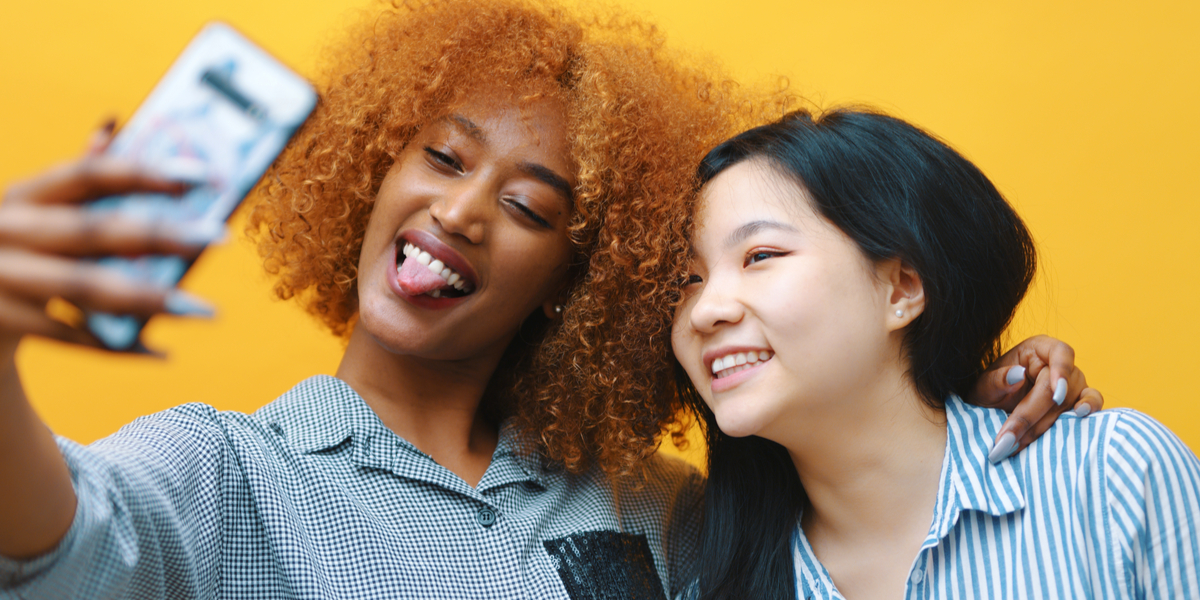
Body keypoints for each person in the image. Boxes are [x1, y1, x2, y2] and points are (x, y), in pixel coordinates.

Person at [0, 1, 1096, 598]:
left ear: (585, 280)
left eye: (531, 208)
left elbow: (889, 522)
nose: (463, 211)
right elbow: (58, 546)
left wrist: (960, 383)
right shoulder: (223, 473)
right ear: (372, 171)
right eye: (439, 155)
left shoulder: (672, 513)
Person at [672, 108, 1199, 599]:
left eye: (760, 255)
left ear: (901, 288)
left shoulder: (1113, 478)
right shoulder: (708, 585)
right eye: (686, 280)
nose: (703, 310)